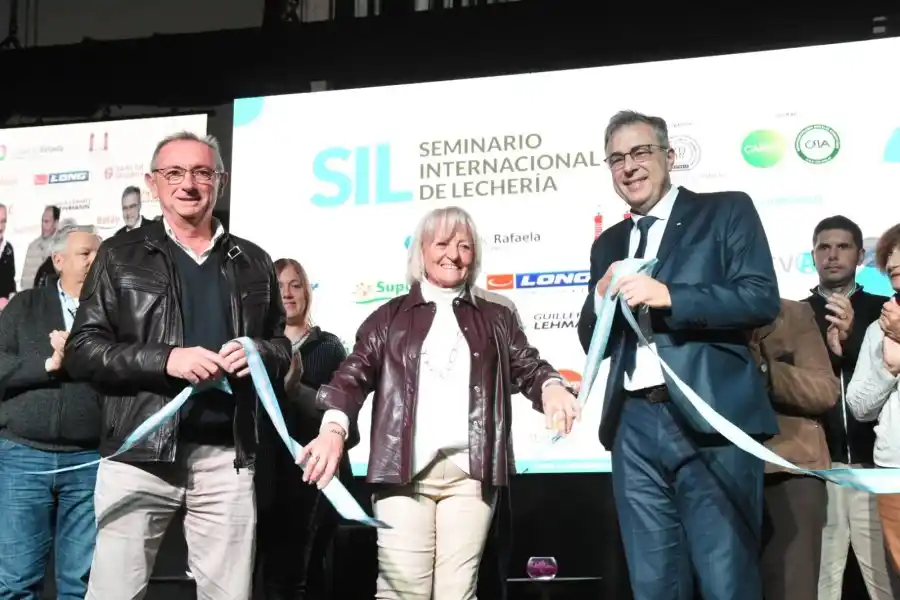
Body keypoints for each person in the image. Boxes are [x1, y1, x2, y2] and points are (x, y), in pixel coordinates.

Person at [300, 206, 579, 599]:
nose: (454, 254)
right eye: (443, 243)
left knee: (457, 592)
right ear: (422, 252)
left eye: (465, 245)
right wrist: (333, 428)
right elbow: (351, 376)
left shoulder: (498, 317)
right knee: (402, 592)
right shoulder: (387, 317)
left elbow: (529, 366)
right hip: (402, 473)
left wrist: (551, 387)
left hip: (472, 475)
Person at [62, 131, 292, 600]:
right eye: (174, 173)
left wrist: (258, 354)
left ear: (220, 182)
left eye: (202, 172)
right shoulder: (118, 254)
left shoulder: (253, 260)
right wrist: (167, 360)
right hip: (138, 457)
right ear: (153, 183)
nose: (188, 184)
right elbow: (84, 348)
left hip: (228, 458)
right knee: (113, 593)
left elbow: (282, 346)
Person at [576, 110, 780, 600]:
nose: (629, 167)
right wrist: (599, 303)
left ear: (668, 156)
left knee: (725, 581)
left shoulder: (726, 209)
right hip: (632, 428)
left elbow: (759, 298)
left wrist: (671, 296)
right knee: (653, 585)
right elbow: (591, 341)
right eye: (617, 158)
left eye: (641, 152)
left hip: (710, 421)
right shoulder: (608, 244)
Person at [0, 224, 102, 600]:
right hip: (22, 458)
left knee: (80, 585)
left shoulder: (116, 312)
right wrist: (49, 363)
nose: (94, 260)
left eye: (98, 253)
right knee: (15, 582)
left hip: (88, 461)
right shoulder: (24, 305)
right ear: (58, 260)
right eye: (85, 253)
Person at [806, 216, 899, 600]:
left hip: (875, 467)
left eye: (842, 247)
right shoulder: (792, 315)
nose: (832, 255)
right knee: (822, 580)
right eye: (824, 247)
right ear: (812, 256)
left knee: (884, 579)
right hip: (820, 467)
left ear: (860, 255)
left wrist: (856, 339)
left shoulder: (884, 311)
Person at [254, 257, 351, 600]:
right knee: (266, 571)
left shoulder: (329, 347)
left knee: (304, 572)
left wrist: (297, 389)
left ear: (307, 292)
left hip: (312, 478)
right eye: (279, 286)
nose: (288, 294)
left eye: (296, 285)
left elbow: (341, 413)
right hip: (266, 474)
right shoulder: (256, 349)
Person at [750, 299, 839, 600]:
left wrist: (764, 370)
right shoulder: (698, 316)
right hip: (720, 471)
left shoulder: (793, 314)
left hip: (790, 470)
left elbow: (825, 391)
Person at [847, 223, 900, 579]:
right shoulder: (876, 328)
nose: (894, 262)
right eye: (890, 259)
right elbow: (859, 408)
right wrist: (887, 367)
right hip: (893, 470)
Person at [20, 205, 59, 291]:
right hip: (32, 299)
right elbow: (25, 280)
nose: (43, 225)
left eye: (47, 221)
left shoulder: (61, 248)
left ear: (56, 223)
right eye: (42, 221)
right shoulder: (32, 246)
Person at [0, 202, 15, 305]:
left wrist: (13, 295)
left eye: (3, 221)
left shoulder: (8, 249)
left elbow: (10, 281)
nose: (1, 227)